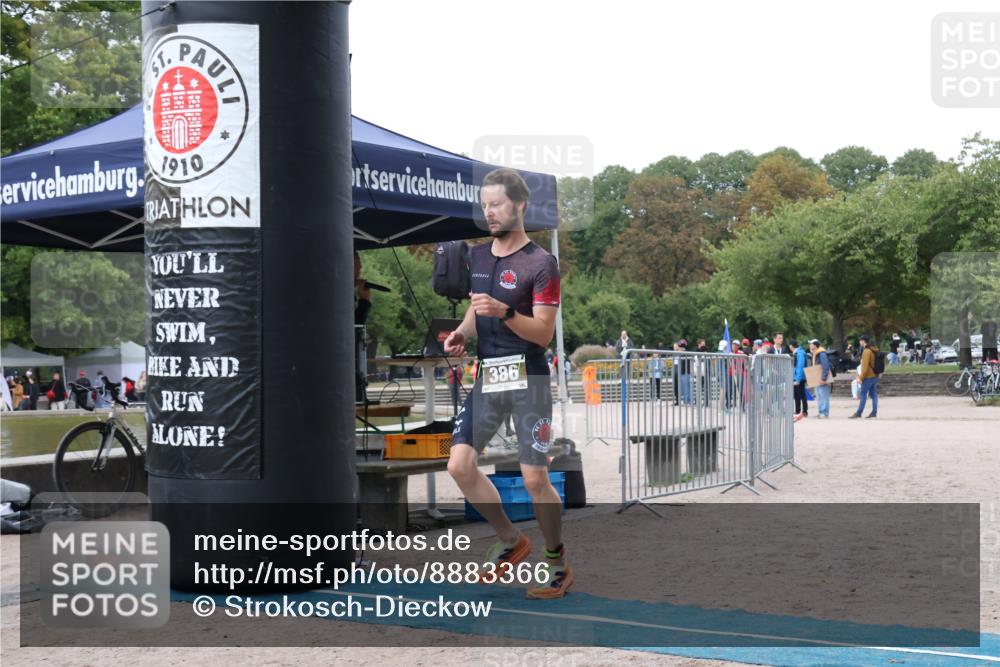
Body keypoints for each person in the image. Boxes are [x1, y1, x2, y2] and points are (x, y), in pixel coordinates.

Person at [442, 167, 570, 600]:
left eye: (496, 204)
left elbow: (543, 333)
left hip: (529, 377)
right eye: (484, 206)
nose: (489, 212)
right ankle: (511, 540)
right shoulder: (477, 256)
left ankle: (557, 564)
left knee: (535, 479)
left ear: (519, 205)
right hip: (489, 375)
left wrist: (505, 313)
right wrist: (463, 332)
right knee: (459, 466)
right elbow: (476, 312)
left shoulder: (541, 263)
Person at [850, 335, 880, 419]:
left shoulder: (866, 351)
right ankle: (874, 412)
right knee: (874, 394)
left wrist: (861, 377)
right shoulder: (873, 349)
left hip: (868, 376)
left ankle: (859, 413)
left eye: (860, 341)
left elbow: (865, 367)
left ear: (863, 341)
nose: (860, 342)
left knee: (863, 394)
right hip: (874, 375)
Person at [809, 339, 832, 418]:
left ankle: (824, 413)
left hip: (821, 379)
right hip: (817, 378)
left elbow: (825, 366)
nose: (810, 345)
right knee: (819, 396)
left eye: (811, 344)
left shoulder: (821, 354)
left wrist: (823, 378)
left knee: (823, 396)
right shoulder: (815, 353)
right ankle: (821, 411)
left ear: (815, 345)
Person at [789, 339, 808, 421]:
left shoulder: (799, 353)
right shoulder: (799, 352)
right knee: (798, 394)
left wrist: (798, 379)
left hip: (799, 377)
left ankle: (803, 411)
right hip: (799, 377)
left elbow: (800, 366)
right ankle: (799, 411)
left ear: (791, 346)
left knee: (800, 394)